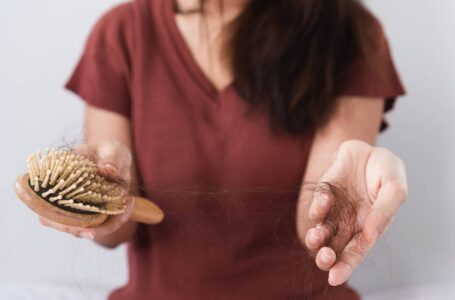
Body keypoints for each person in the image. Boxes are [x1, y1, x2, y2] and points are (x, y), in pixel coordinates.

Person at [39, 0, 408, 299]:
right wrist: (94, 205)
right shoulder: (122, 33)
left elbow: (318, 231)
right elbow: (116, 230)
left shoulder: (346, 32)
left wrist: (351, 197)